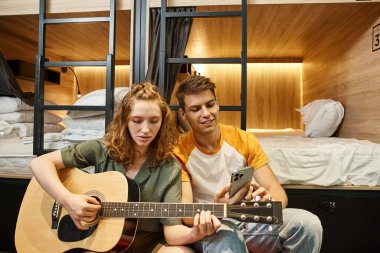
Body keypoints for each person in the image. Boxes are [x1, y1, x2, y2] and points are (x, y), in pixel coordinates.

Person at [29, 82, 227, 253]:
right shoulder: (102, 148)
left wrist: (196, 232)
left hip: (148, 246)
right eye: (137, 121)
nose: (145, 130)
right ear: (125, 119)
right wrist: (68, 200)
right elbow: (39, 163)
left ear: (163, 122)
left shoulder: (170, 168)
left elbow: (172, 233)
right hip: (99, 242)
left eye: (154, 121)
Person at [174, 75, 323, 253]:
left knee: (308, 224)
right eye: (196, 109)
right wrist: (219, 207)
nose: (206, 113)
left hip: (248, 218)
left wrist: (266, 203)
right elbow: (186, 213)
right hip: (212, 225)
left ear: (218, 103)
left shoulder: (244, 139)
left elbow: (278, 193)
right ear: (183, 114)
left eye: (210, 104)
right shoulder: (178, 151)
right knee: (228, 237)